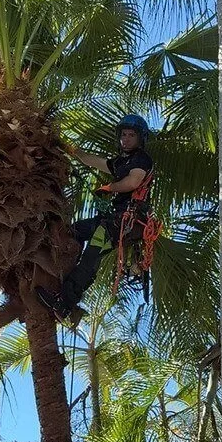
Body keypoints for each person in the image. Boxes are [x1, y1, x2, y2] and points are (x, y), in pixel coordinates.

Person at [36, 114, 153, 319]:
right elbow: (90, 160)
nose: (125, 139)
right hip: (111, 220)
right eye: (123, 135)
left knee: (92, 255)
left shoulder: (141, 160)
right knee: (72, 231)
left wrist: (110, 187)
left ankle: (64, 302)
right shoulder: (119, 162)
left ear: (140, 138)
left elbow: (133, 182)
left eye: (131, 135)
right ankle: (59, 275)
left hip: (126, 222)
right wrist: (66, 147)